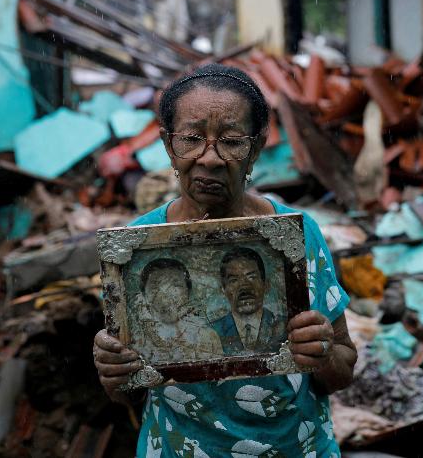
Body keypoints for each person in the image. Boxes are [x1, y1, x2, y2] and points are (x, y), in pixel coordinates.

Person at [93, 63, 357, 457]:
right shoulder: (136, 250)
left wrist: (320, 352)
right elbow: (129, 393)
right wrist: (114, 373)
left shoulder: (297, 236)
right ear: (168, 144)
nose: (210, 158)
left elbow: (342, 368)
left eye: (231, 141)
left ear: (257, 144)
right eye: (191, 138)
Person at [134, 257, 222, 362]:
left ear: (188, 292)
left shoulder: (208, 337)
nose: (166, 295)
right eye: (156, 287)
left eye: (176, 285)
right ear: (144, 295)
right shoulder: (137, 342)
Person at [210, 247, 285, 355]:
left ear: (266, 285)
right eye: (234, 280)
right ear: (223, 290)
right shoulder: (212, 332)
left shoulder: (284, 326)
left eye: (252, 277)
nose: (244, 286)